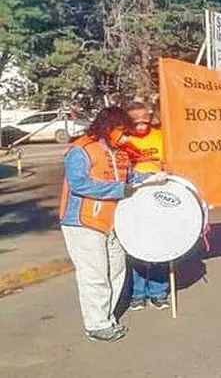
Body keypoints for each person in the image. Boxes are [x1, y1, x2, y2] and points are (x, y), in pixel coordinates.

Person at [59, 106, 166, 341]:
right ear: (110, 128)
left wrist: (153, 178)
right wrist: (120, 190)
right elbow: (79, 184)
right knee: (94, 275)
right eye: (123, 132)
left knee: (117, 270)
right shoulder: (81, 149)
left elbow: (130, 177)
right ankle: (96, 325)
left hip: (112, 222)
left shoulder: (120, 152)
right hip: (83, 223)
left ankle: (107, 317)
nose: (126, 137)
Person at [121, 101, 170, 311]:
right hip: (134, 199)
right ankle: (137, 293)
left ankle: (158, 292)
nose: (141, 125)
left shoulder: (162, 136)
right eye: (135, 122)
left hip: (159, 196)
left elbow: (171, 162)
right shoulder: (123, 140)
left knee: (160, 244)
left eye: (145, 121)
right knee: (137, 247)